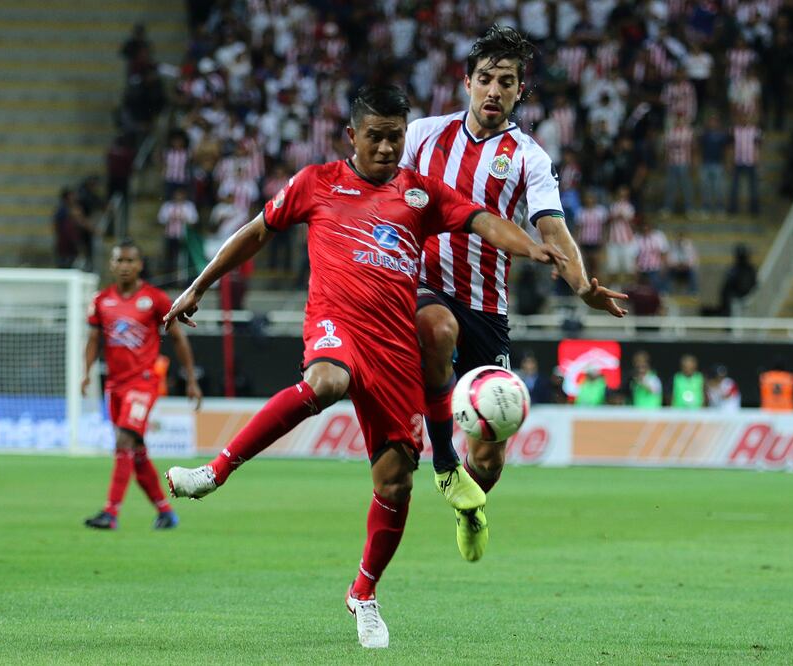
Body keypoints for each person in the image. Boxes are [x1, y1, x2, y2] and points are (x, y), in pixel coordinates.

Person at [162, 85, 567, 649]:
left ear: (406, 135)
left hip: (395, 349)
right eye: (374, 136)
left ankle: (364, 593)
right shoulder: (316, 183)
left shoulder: (420, 195)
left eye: (395, 137)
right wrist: (198, 287)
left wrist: (531, 248)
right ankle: (215, 472)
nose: (384, 147)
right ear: (352, 136)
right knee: (326, 381)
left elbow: (480, 222)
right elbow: (255, 232)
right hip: (336, 325)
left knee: (396, 482)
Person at [398, 26, 627, 562]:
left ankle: (470, 505)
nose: (493, 90)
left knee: (494, 453)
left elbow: (552, 230)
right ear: (466, 82)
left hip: (487, 304)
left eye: (506, 81)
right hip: (422, 284)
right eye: (485, 79)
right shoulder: (423, 136)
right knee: (437, 329)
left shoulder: (528, 156)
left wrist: (582, 285)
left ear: (520, 89)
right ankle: (442, 463)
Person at [82, 240, 202, 531]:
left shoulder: (156, 299)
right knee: (135, 451)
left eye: (130, 261)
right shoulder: (102, 300)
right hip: (115, 385)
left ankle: (110, 513)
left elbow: (177, 338)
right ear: (111, 265)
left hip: (144, 382)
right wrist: (85, 372)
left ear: (140, 265)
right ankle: (165, 511)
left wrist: (191, 379)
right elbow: (94, 339)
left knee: (123, 441)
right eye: (119, 261)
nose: (124, 266)